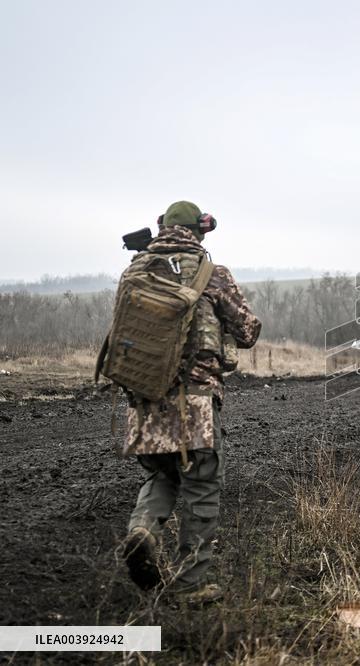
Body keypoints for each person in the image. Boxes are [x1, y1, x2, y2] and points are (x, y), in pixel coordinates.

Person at [119, 201, 261, 604]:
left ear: (163, 229)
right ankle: (190, 584)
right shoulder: (211, 274)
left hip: (143, 397)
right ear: (199, 232)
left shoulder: (136, 271)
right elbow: (248, 330)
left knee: (160, 475)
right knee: (200, 485)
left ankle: (143, 530)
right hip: (195, 400)